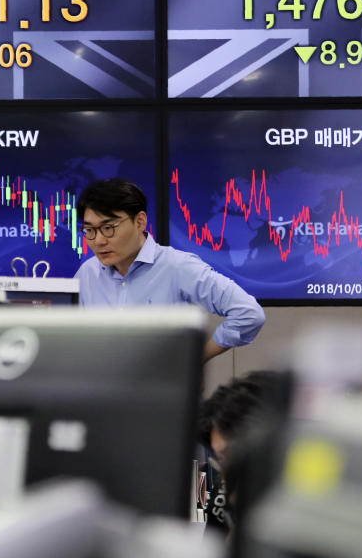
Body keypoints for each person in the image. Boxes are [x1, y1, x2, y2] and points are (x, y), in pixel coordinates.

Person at [74, 178, 265, 361]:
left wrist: (193, 361)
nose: (98, 241)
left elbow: (248, 313)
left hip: (163, 391)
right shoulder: (87, 273)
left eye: (108, 228)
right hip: (101, 390)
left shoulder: (178, 267)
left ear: (140, 222)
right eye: (90, 230)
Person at [196, 370, 292, 537]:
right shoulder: (208, 474)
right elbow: (198, 527)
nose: (224, 470)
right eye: (220, 458)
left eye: (231, 453)